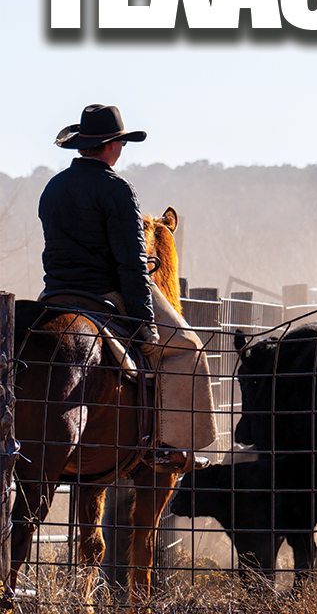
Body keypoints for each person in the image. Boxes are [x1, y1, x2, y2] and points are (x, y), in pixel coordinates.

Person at [39, 104, 216, 474]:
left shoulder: (53, 187)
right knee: (187, 349)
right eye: (120, 142)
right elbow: (132, 265)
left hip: (53, 295)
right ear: (112, 146)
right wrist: (145, 325)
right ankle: (173, 448)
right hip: (106, 293)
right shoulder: (117, 189)